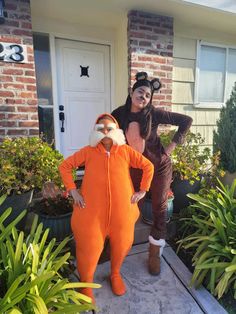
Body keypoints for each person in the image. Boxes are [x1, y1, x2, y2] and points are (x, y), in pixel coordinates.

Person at [59, 113, 154, 303]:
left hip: (122, 214)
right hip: (92, 214)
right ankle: (86, 284)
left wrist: (143, 190)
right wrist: (73, 191)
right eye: (100, 129)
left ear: (116, 131)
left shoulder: (126, 151)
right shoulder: (88, 151)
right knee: (89, 249)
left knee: (122, 246)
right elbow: (65, 166)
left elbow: (148, 166)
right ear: (95, 132)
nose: (104, 132)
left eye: (109, 128)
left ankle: (115, 274)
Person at [111, 72, 193, 276]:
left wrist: (171, 148)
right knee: (127, 206)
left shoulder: (153, 114)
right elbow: (107, 134)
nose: (144, 97)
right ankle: (118, 247)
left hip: (159, 168)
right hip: (134, 169)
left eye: (148, 95)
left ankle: (155, 253)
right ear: (132, 92)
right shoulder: (118, 114)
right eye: (141, 92)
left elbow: (186, 120)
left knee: (159, 207)